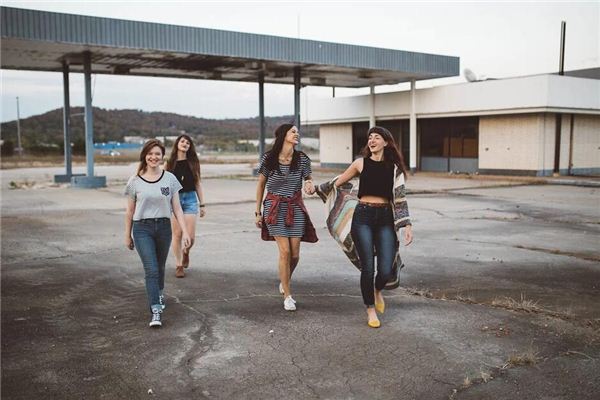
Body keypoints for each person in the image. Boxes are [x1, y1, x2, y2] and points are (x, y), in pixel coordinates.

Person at [311, 126, 413, 328]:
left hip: (385, 218)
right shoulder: (360, 163)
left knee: (385, 270)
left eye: (377, 137)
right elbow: (337, 182)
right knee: (368, 268)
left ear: (386, 142)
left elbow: (400, 198)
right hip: (363, 217)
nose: (372, 140)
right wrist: (316, 189)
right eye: (370, 137)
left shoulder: (394, 169)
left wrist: (407, 224)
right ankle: (370, 310)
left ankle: (377, 290)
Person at [124, 139, 191, 328]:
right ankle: (155, 309)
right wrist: (127, 234)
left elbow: (177, 208)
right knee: (151, 269)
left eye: (157, 154)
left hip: (163, 228)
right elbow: (129, 211)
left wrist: (185, 232)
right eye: (150, 154)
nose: (153, 157)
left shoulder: (170, 179)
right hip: (142, 229)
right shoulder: (134, 181)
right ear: (144, 156)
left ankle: (159, 294)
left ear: (162, 157)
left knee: (160, 267)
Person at [255, 123, 318, 311]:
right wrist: (258, 212)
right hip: (274, 208)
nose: (296, 134)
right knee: (285, 252)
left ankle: (284, 280)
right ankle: (288, 295)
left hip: (295, 207)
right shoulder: (269, 158)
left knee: (295, 255)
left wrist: (309, 184)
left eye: (297, 132)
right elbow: (260, 185)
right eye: (293, 131)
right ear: (283, 135)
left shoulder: (302, 159)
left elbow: (308, 178)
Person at [165, 134, 206, 278]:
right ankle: (179, 265)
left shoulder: (193, 163)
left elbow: (198, 184)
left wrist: (202, 204)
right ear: (177, 144)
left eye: (188, 143)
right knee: (177, 235)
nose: (185, 144)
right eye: (182, 141)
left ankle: (186, 251)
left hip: (190, 200)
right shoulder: (169, 163)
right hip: (174, 200)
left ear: (190, 147)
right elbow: (165, 184)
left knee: (191, 237)